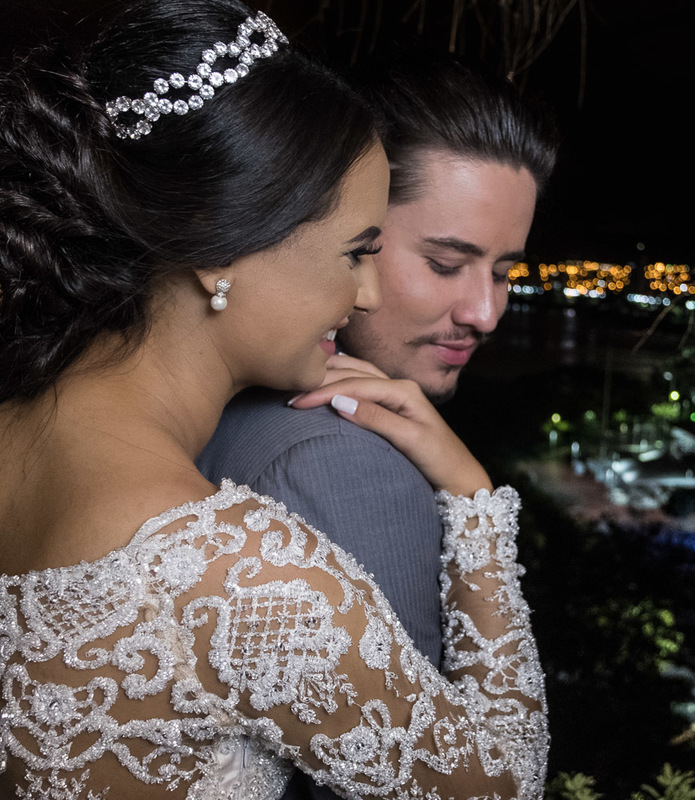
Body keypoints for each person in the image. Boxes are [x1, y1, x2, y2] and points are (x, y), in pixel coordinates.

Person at [0, 2, 546, 798]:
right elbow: (501, 784)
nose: (365, 290)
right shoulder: (238, 572)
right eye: (354, 252)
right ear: (217, 246)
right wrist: (474, 504)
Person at [197, 60, 557, 742]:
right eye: (446, 264)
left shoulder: (205, 395)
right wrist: (471, 495)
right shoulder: (344, 464)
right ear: (342, 225)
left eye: (505, 273)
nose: (485, 312)